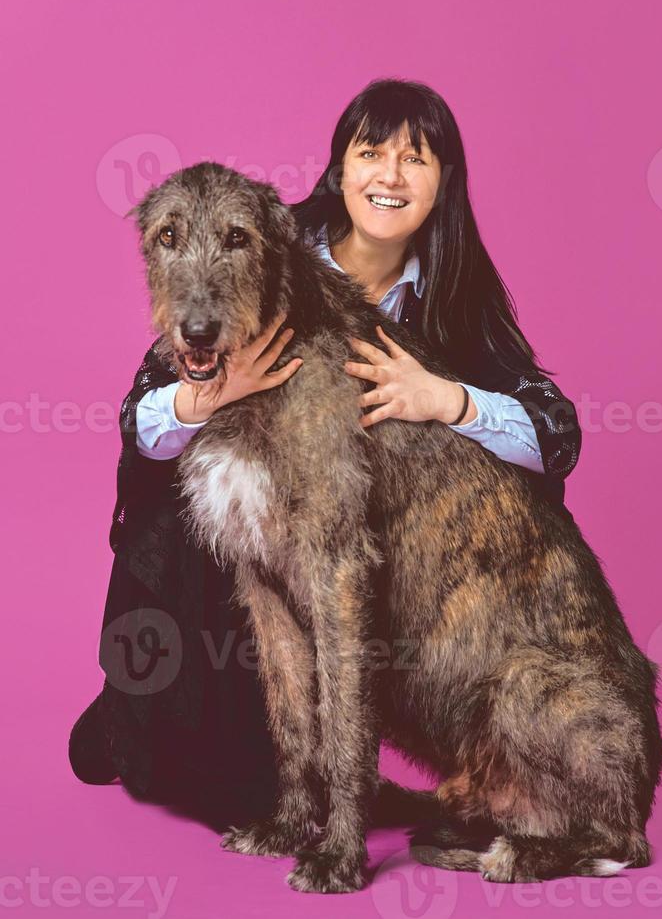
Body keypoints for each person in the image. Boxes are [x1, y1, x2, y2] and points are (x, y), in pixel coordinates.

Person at [69, 78, 582, 828]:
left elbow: (554, 435)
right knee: (204, 527)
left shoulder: (454, 295)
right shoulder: (267, 239)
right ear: (338, 169)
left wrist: (450, 398)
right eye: (370, 153)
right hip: (239, 544)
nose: (390, 176)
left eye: (417, 160)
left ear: (445, 185)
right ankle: (148, 711)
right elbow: (138, 420)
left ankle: (346, 787)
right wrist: (207, 394)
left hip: (358, 539)